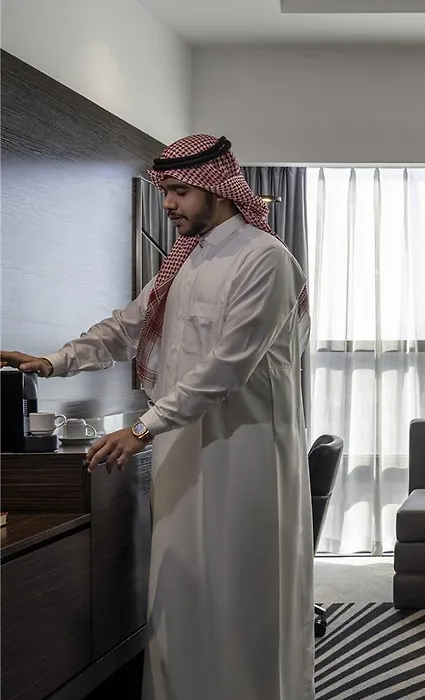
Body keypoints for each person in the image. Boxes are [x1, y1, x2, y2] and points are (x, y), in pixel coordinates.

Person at [0, 134, 314, 699]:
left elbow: (227, 368)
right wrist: (51, 362)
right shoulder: (185, 261)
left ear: (219, 189)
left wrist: (142, 427)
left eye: (178, 191)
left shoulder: (266, 259)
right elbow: (123, 329)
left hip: (247, 453)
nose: (167, 203)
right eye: (164, 190)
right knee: (180, 585)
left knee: (241, 585)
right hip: (181, 444)